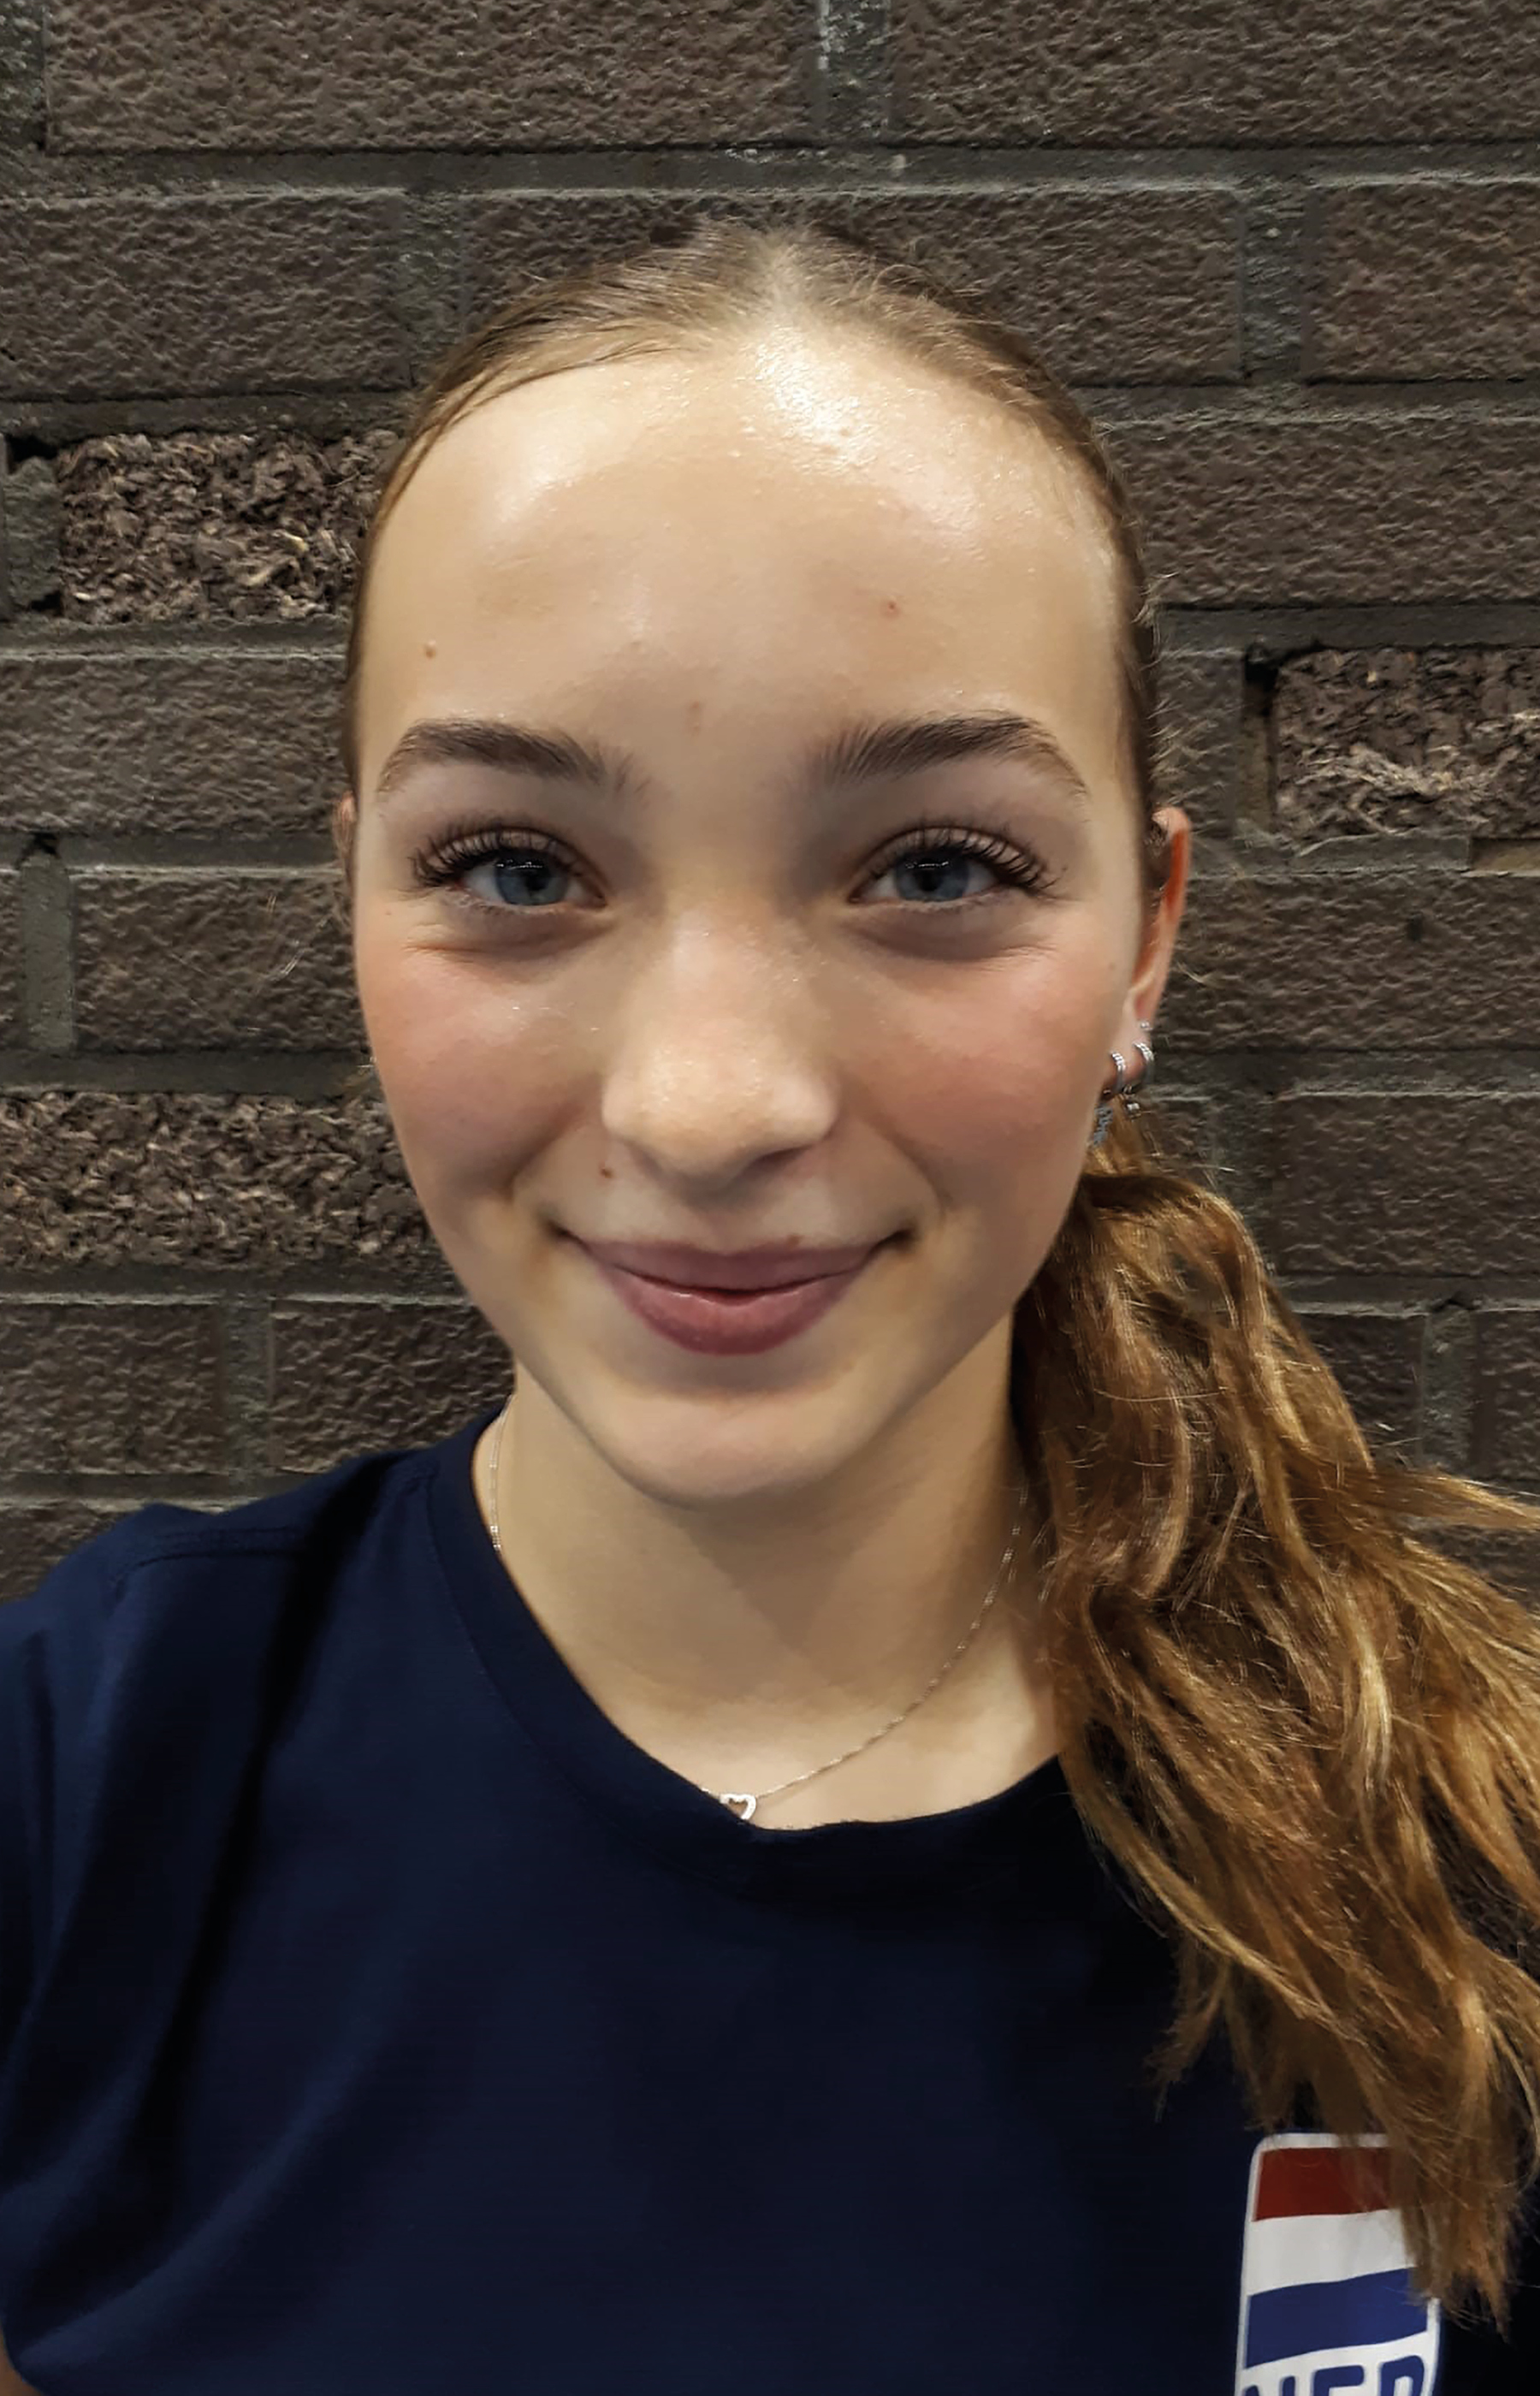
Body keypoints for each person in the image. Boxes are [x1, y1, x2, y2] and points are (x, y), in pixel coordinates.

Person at [3, 216, 1540, 2396]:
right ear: (350, 894)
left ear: (1148, 937)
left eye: (935, 868)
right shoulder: (84, 1787)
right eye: (516, 868)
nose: (712, 1103)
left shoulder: (1479, 1840)